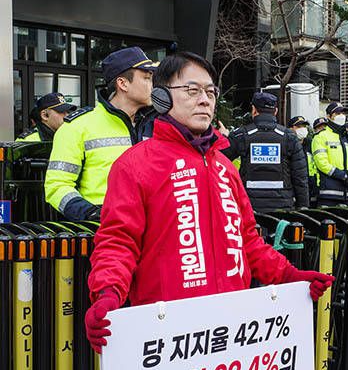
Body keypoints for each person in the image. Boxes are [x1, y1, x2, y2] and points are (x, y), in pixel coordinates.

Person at [85, 52, 333, 351]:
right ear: (162, 98)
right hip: (169, 337)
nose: (205, 100)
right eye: (192, 90)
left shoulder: (225, 167)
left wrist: (289, 275)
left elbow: (247, 241)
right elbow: (118, 241)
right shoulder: (134, 165)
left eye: (211, 92)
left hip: (231, 330)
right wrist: (108, 294)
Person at [44, 46, 156, 222]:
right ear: (123, 84)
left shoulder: (158, 125)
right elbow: (56, 186)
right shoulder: (77, 127)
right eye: (147, 78)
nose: (152, 84)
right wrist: (91, 214)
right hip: (102, 232)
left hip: (154, 230)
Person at [223, 91, 309, 212]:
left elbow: (219, 162)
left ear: (254, 110)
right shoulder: (289, 137)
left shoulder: (241, 135)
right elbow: (300, 176)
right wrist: (303, 206)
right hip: (282, 207)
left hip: (249, 207)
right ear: (275, 111)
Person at [311, 102, 348, 205]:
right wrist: (343, 176)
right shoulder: (321, 136)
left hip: (347, 194)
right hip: (329, 193)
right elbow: (321, 163)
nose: (341, 116)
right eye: (337, 113)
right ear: (328, 116)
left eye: (342, 113)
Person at [289, 115, 318, 206]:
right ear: (290, 128)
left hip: (311, 189)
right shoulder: (287, 145)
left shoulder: (311, 144)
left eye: (304, 126)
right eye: (298, 126)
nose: (302, 129)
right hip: (292, 190)